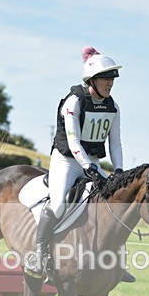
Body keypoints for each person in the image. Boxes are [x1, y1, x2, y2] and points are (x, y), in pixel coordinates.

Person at [25, 46, 125, 278]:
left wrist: (118, 170)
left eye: (113, 78)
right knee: (59, 204)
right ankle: (38, 256)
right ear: (92, 79)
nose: (110, 83)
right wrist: (89, 167)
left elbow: (116, 144)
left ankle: (117, 261)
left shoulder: (114, 107)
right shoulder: (74, 101)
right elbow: (73, 142)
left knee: (114, 203)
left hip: (91, 160)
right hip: (67, 161)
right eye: (105, 78)